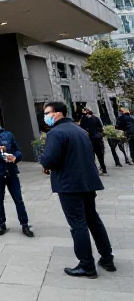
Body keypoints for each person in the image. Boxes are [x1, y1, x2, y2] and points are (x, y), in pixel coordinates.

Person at [41, 100, 115, 278]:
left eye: (47, 113)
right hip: (88, 183)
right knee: (93, 220)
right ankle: (107, 258)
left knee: (78, 224)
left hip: (69, 185)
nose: (45, 117)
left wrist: (44, 162)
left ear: (58, 113)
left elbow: (49, 160)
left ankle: (87, 265)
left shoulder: (56, 133)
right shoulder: (80, 131)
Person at [0, 114, 33, 237]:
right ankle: (1, 223)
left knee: (18, 199)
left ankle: (24, 224)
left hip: (11, 171)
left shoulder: (8, 135)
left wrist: (15, 157)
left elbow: (17, 150)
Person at [79, 108, 107, 174]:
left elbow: (81, 128)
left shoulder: (85, 119)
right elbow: (100, 128)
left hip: (91, 139)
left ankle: (98, 169)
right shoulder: (94, 118)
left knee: (94, 155)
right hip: (95, 139)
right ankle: (102, 168)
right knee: (98, 155)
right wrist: (100, 134)